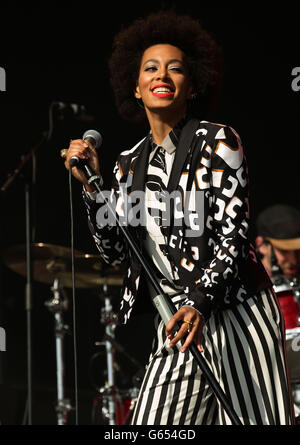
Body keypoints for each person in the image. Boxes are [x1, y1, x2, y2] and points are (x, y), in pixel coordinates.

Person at [64, 10, 294, 425]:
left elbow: (233, 236)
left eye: (176, 69)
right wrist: (91, 186)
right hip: (176, 322)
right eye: (150, 68)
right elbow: (115, 249)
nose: (162, 75)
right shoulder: (128, 165)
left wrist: (201, 304)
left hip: (235, 313)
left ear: (191, 86)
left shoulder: (218, 141)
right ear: (135, 87)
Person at [255, 204, 300, 282]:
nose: (294, 260)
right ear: (262, 245)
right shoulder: (248, 284)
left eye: (298, 250)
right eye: (284, 250)